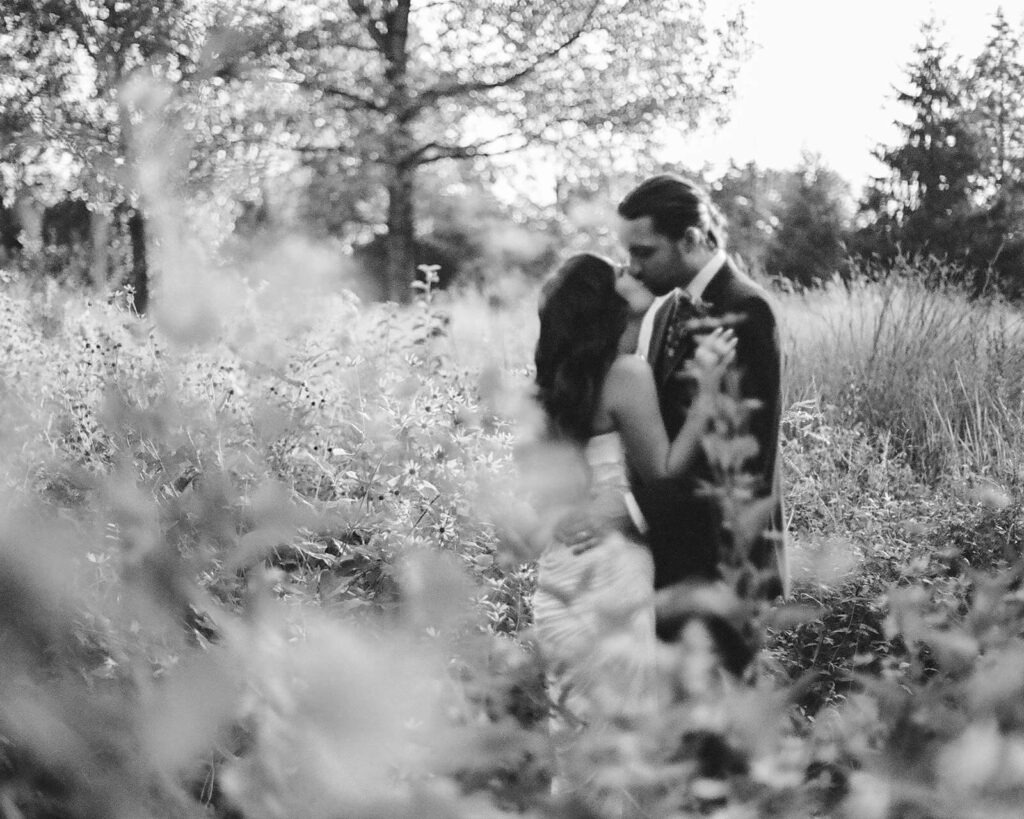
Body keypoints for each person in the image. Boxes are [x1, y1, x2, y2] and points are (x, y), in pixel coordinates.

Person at [528, 252, 736, 800]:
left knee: (576, 746)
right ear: (607, 306)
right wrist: (707, 398)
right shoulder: (627, 374)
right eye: (620, 272)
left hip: (557, 578)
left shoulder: (548, 385)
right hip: (612, 573)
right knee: (620, 751)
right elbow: (664, 471)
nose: (634, 272)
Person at [615, 173, 789, 626]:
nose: (632, 267)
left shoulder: (746, 309)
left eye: (643, 252)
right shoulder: (669, 307)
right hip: (673, 563)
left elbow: (741, 455)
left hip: (722, 567)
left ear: (690, 239)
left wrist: (634, 515)